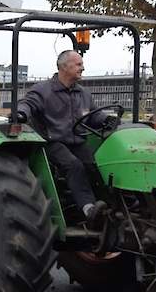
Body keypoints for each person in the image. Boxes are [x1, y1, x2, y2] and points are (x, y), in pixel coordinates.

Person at [16, 50, 116, 227]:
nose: (82, 68)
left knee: (97, 164)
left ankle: (112, 207)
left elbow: (93, 116)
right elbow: (27, 104)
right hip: (52, 142)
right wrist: (21, 113)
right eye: (78, 64)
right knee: (73, 165)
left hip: (77, 141)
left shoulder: (83, 93)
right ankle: (88, 208)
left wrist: (108, 120)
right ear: (64, 67)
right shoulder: (43, 90)